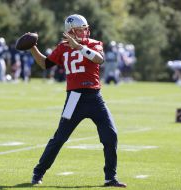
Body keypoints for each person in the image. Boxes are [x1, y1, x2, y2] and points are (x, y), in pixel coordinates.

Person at [29, 14, 127, 188]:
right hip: (73, 98)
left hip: (95, 97)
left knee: (110, 136)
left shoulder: (94, 44)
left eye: (85, 29)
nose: (84, 32)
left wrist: (79, 47)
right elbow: (45, 64)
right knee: (59, 138)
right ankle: (38, 172)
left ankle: (110, 177)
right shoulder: (62, 48)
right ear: (71, 32)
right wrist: (32, 48)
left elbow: (99, 59)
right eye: (80, 30)